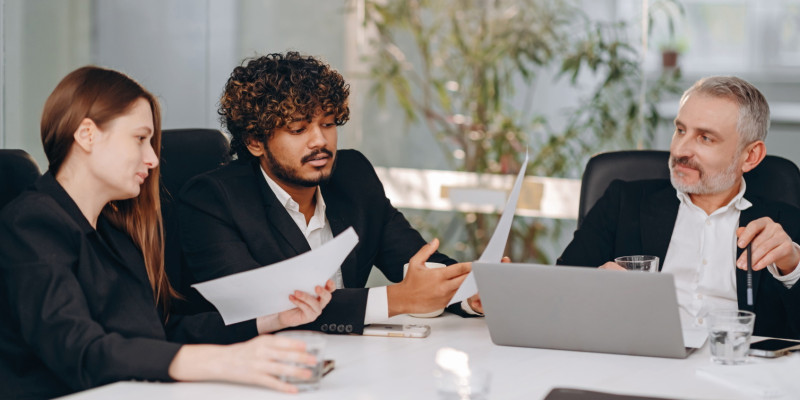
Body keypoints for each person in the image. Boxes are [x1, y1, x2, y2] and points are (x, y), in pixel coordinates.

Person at [0, 66, 335, 399]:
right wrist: (220, 361)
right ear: (87, 135)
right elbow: (80, 350)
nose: (152, 158)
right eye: (140, 139)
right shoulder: (30, 224)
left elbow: (159, 332)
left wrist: (270, 319)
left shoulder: (112, 229)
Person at [177, 52, 481, 335]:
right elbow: (259, 307)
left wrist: (471, 293)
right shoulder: (212, 200)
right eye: (298, 129)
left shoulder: (353, 175)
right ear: (255, 142)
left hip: (353, 361)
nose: (320, 141)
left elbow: (414, 260)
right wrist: (396, 299)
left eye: (328, 123)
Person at [558, 76, 800, 339]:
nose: (681, 149)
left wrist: (793, 268)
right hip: (641, 360)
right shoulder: (622, 202)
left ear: (750, 156)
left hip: (735, 366)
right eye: (681, 130)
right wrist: (595, 286)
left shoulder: (784, 224)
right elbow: (558, 295)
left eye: (706, 138)